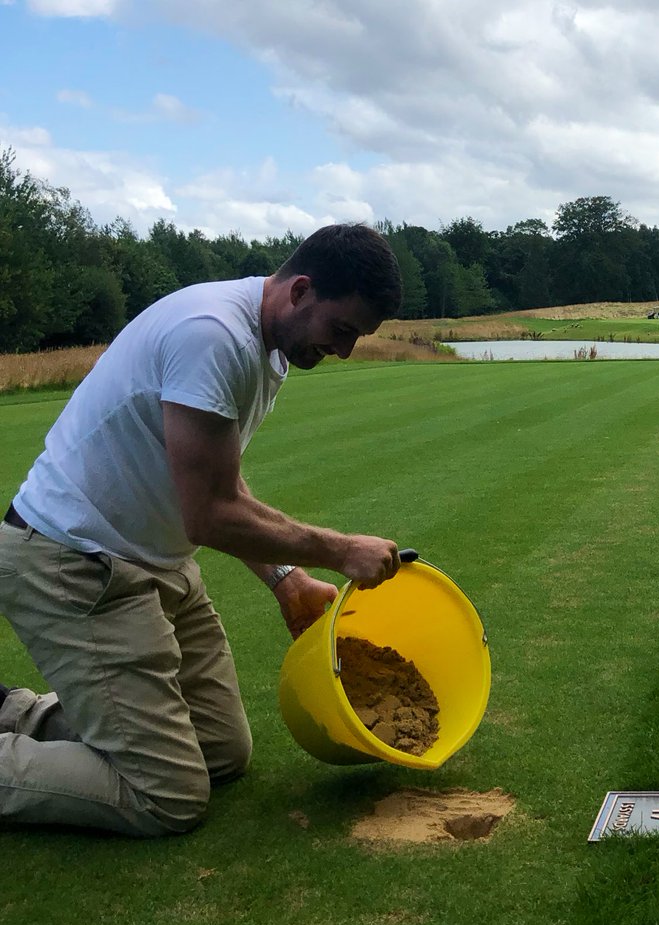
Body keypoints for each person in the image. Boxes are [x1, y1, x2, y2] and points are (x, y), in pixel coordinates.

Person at [0, 223, 406, 837]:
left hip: (155, 561)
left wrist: (286, 579)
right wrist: (339, 550)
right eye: (342, 330)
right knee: (166, 796)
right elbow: (209, 515)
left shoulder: (268, 348)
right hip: (71, 561)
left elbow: (223, 490)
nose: (345, 350)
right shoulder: (211, 335)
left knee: (222, 752)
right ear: (300, 290)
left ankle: (13, 712)